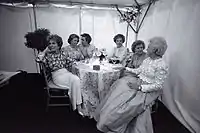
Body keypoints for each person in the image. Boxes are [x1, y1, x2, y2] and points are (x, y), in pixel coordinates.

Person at [94, 36, 169, 133]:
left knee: (128, 104)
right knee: (118, 89)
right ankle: (107, 119)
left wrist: (140, 87)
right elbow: (139, 71)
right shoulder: (147, 60)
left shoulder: (161, 65)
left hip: (148, 89)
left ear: (155, 49)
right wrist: (125, 69)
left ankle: (113, 122)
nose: (147, 48)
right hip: (138, 81)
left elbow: (158, 85)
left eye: (149, 46)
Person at [37, 34, 83, 115]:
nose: (51, 45)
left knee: (77, 79)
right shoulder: (47, 55)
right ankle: (78, 107)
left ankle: (78, 106)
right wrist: (45, 50)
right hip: (57, 76)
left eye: (53, 43)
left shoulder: (63, 53)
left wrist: (76, 63)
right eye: (49, 44)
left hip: (66, 73)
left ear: (59, 44)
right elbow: (38, 59)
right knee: (75, 81)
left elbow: (71, 62)